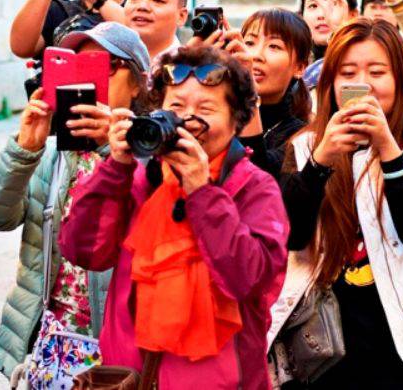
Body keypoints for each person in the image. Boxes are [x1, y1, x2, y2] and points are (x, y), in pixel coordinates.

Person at [58, 47, 289, 389]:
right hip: (130, 378)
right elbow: (84, 251)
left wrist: (202, 191)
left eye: (206, 109)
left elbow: (249, 280)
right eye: (175, 108)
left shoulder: (255, 188)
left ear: (236, 120)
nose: (186, 121)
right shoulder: (140, 179)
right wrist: (115, 168)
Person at [269, 18, 403, 389]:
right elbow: (291, 236)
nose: (364, 83)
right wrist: (320, 160)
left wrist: (389, 149)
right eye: (348, 72)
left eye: (377, 71)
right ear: (329, 84)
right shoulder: (305, 147)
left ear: (402, 79)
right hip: (325, 351)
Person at [0, 22, 150, 383]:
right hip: (51, 338)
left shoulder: (151, 156)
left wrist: (110, 148)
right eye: (78, 67)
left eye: (106, 66)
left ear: (138, 83)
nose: (90, 81)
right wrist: (24, 149)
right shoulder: (53, 152)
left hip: (117, 342)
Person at [238, 8, 313, 180]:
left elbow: (256, 180)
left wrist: (246, 91)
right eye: (249, 43)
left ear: (300, 68)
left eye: (274, 46)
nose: (256, 55)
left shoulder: (302, 137)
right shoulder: (219, 116)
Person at [299, 0, 358, 90]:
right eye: (313, 6)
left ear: (354, 15)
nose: (322, 14)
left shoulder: (364, 58)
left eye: (334, 4)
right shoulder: (293, 62)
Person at [124, 0, 189, 59]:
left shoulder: (193, 70)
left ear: (181, 16)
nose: (142, 6)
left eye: (157, 0)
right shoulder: (109, 62)